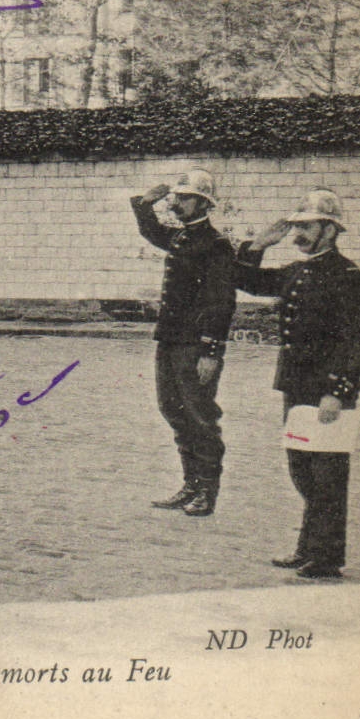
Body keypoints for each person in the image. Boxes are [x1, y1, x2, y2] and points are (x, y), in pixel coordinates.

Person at [235, 190, 360, 578]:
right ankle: (309, 548)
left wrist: (338, 390)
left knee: (327, 475)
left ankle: (327, 557)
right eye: (296, 225)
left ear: (330, 230)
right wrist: (258, 245)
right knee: (301, 468)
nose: (297, 233)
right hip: (297, 387)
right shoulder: (296, 271)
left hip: (327, 391)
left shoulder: (348, 277)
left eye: (306, 226)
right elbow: (246, 280)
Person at [131, 170, 236, 516]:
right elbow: (152, 230)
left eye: (185, 197)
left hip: (195, 343)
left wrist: (211, 351)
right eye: (176, 197)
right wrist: (146, 205)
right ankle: (190, 485)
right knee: (172, 409)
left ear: (204, 202)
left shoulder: (216, 245)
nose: (177, 203)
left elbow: (221, 301)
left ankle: (207, 490)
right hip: (171, 339)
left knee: (200, 415)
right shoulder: (182, 238)